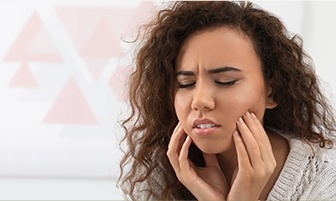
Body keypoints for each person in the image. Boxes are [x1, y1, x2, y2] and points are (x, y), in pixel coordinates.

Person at [118, 1, 336, 200]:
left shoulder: (325, 180)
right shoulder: (159, 174)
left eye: (225, 81)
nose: (200, 101)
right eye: (185, 83)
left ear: (272, 92)